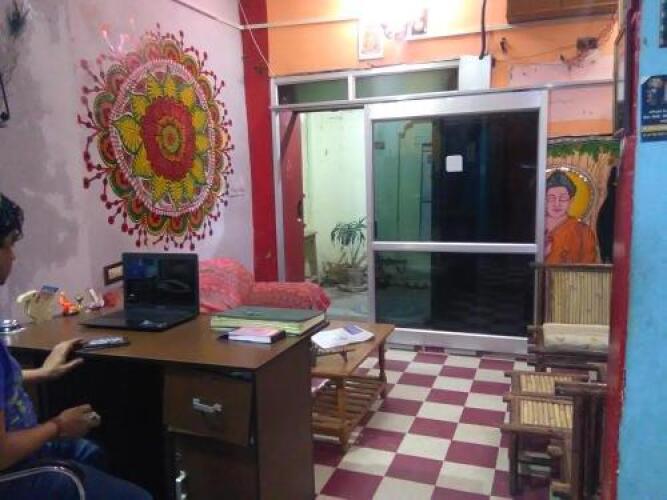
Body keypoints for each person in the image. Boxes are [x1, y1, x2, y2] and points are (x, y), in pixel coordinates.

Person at [0, 193, 152, 500]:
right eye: (10, 244)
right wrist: (58, 425)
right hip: (13, 471)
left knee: (90, 452)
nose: (14, 256)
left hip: (20, 451)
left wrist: (43, 373)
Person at [545, 171, 599, 264]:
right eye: (551, 198)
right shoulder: (536, 227)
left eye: (563, 198)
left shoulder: (583, 232)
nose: (557, 204)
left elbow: (587, 267)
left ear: (571, 200)